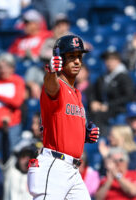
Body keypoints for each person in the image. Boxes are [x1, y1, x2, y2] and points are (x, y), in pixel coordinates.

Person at [27, 35, 100, 199]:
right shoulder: (56, 85)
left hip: (72, 170)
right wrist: (52, 71)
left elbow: (63, 126)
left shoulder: (76, 93)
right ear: (60, 59)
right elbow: (50, 86)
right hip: (54, 166)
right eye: (71, 57)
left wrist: (84, 135)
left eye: (79, 57)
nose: (77, 62)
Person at [90, 50, 135, 136]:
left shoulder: (123, 77)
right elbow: (94, 93)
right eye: (107, 60)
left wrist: (109, 105)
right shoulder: (103, 78)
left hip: (118, 110)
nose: (108, 62)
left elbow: (129, 96)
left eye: (112, 59)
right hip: (103, 110)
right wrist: (94, 102)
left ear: (118, 61)